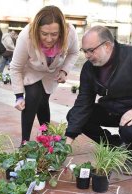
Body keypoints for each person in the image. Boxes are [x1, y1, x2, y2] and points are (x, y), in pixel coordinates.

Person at [65, 26, 132, 175]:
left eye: (91, 50)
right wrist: (68, 141)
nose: (87, 56)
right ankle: (115, 144)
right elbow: (83, 103)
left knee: (130, 130)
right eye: (84, 51)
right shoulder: (89, 68)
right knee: (74, 115)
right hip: (112, 109)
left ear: (107, 46)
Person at [10, 5, 79, 143]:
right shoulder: (26, 35)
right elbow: (16, 67)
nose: (49, 39)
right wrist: (18, 96)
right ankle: (24, 142)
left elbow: (74, 52)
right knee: (32, 97)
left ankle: (46, 138)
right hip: (32, 70)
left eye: (54, 34)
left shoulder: (70, 32)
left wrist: (64, 70)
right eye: (44, 34)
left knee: (43, 102)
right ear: (37, 30)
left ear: (62, 30)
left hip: (51, 72)